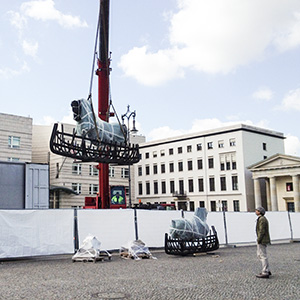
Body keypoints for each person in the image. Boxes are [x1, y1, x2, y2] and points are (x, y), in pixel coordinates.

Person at [255, 206, 271, 278]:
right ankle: (266, 269)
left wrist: (259, 239)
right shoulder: (261, 219)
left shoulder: (262, 219)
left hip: (262, 240)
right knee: (261, 255)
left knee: (262, 255)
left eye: (257, 210)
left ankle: (265, 271)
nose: (255, 211)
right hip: (262, 239)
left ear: (260, 212)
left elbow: (262, 230)